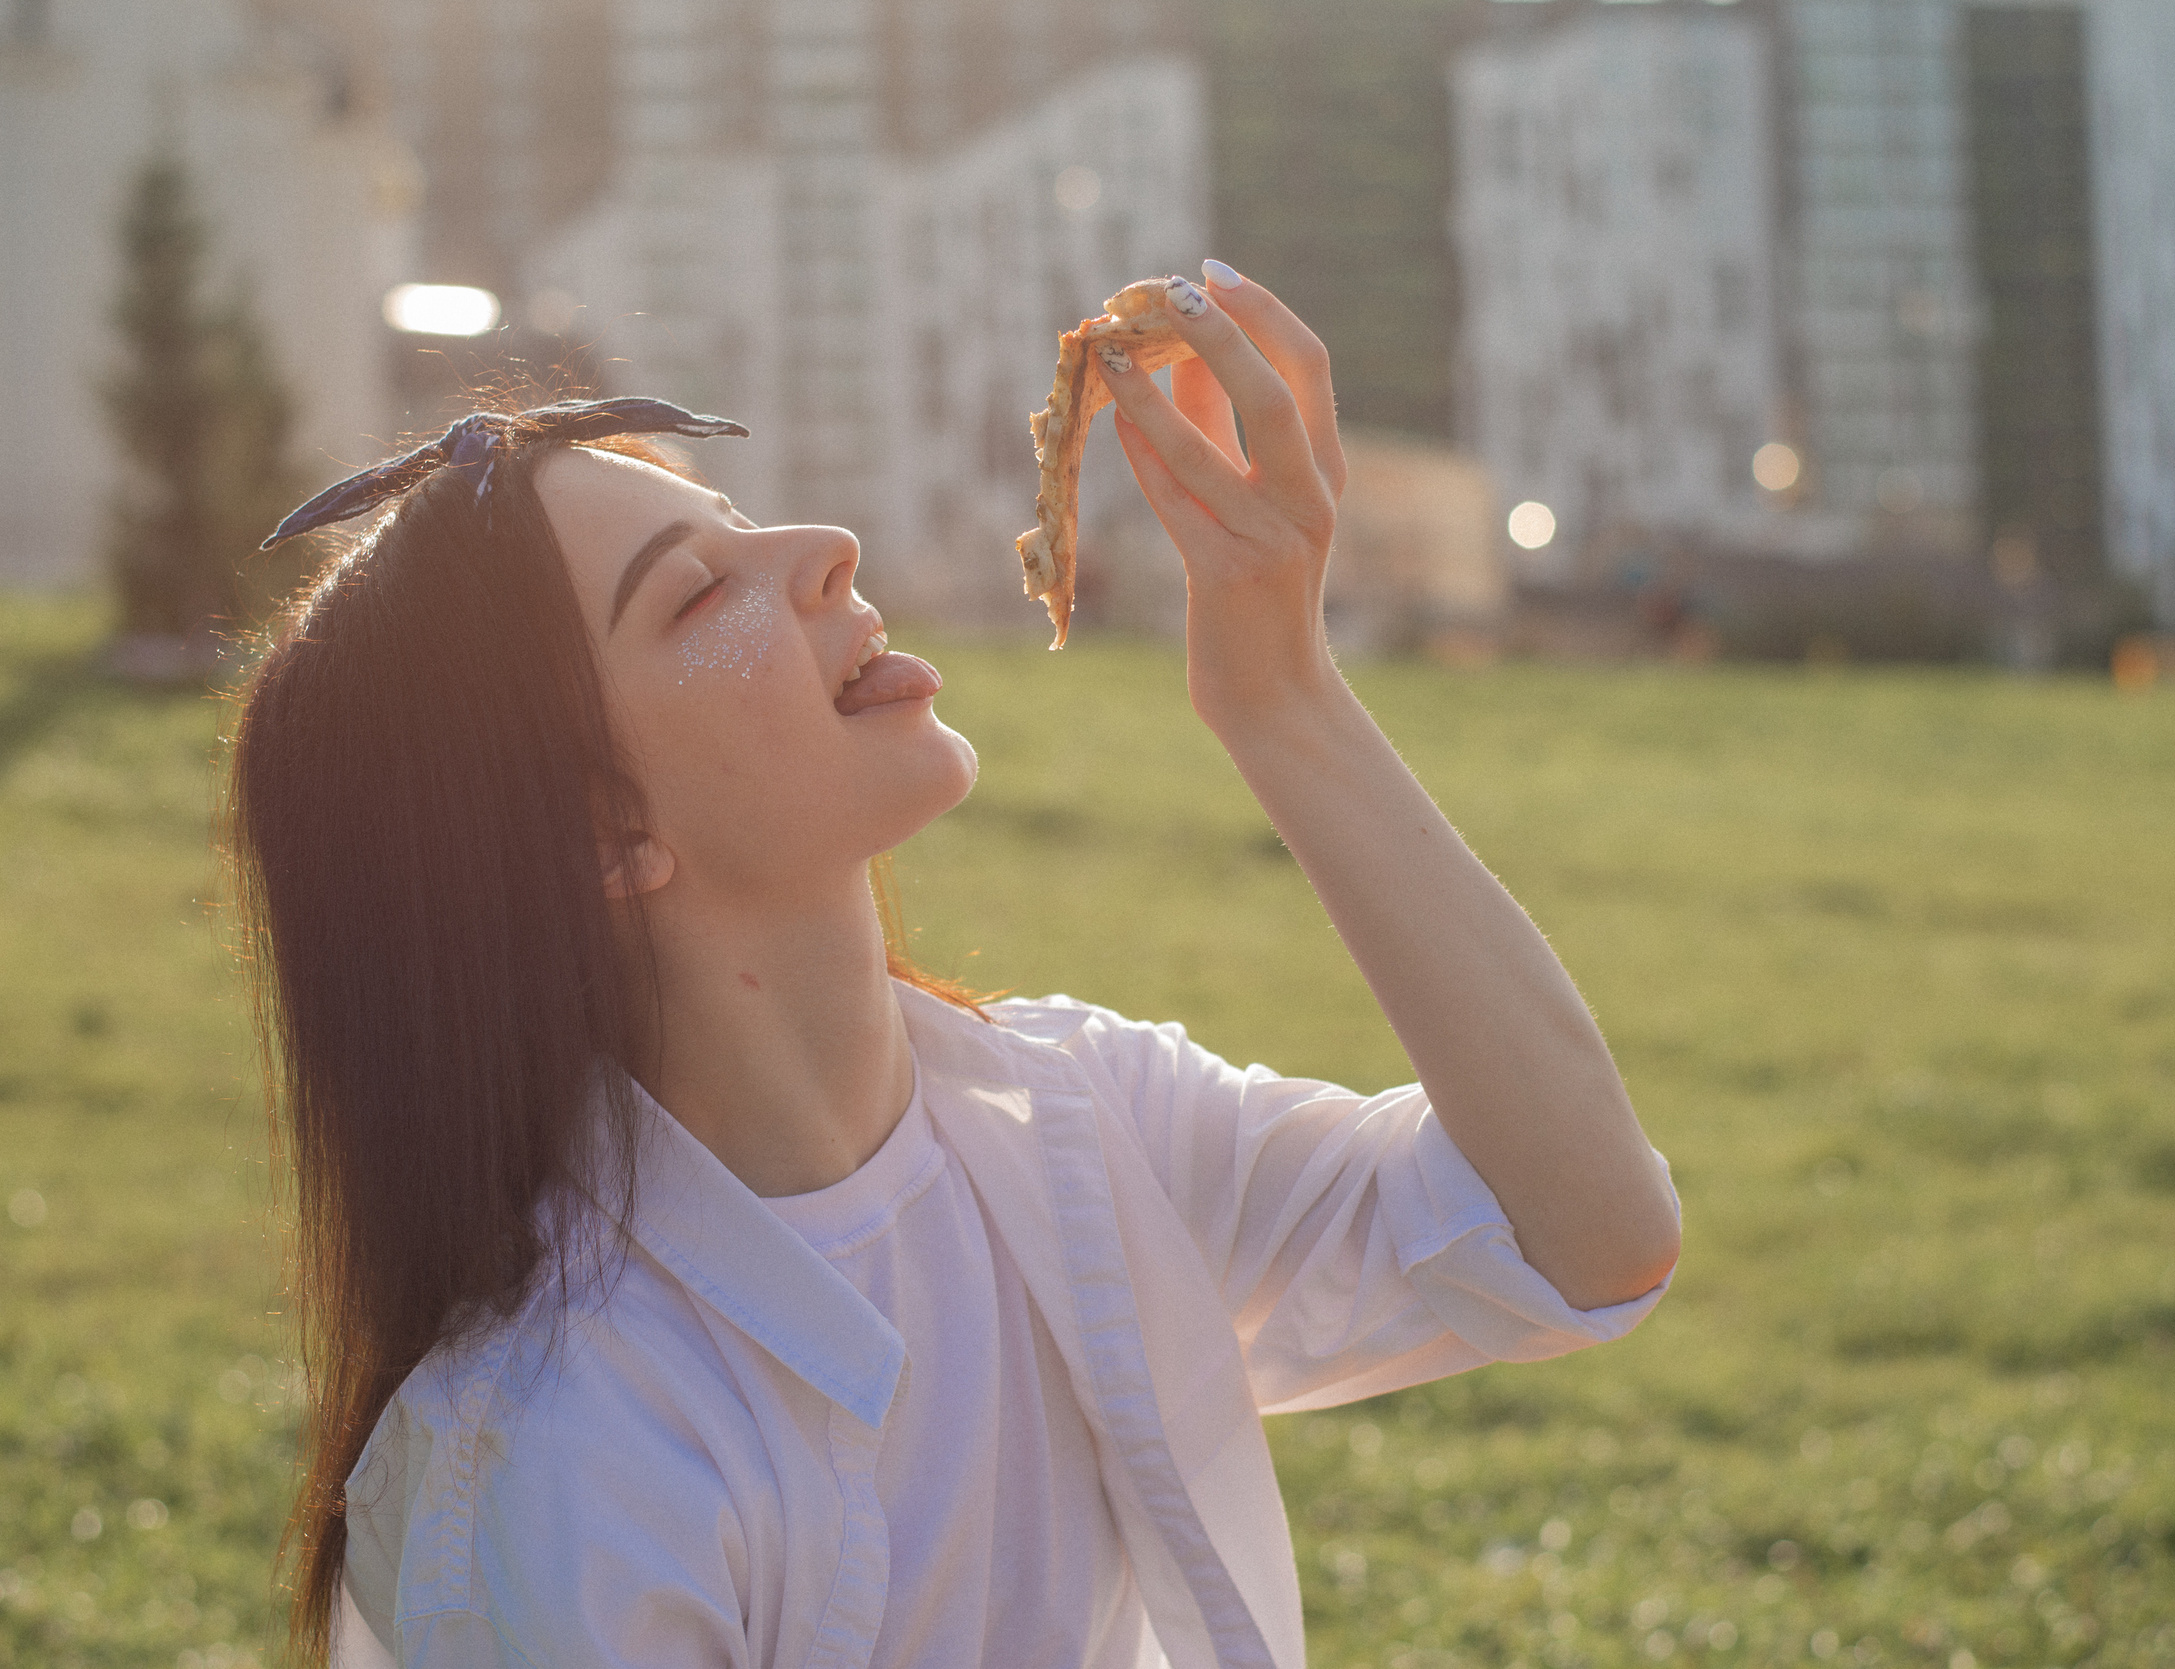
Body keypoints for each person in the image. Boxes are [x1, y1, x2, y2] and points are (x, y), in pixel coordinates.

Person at [229, 263, 1681, 1669]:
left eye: (743, 515)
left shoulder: (1076, 1121)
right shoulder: (565, 1461)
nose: (822, 548)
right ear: (603, 831)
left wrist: (1282, 693)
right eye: (694, 593)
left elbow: (1585, 1233)